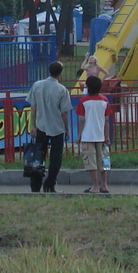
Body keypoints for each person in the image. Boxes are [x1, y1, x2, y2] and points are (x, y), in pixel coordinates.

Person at [26, 60, 73, 193]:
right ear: (60, 73)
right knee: (55, 158)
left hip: (41, 126)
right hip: (57, 128)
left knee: (38, 157)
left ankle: (35, 185)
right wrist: (67, 129)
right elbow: (63, 113)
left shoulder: (37, 85)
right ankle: (49, 184)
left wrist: (33, 126)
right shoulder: (62, 90)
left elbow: (33, 108)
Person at [76, 75, 113, 194]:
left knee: (91, 162)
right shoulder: (104, 100)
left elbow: (82, 119)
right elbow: (107, 119)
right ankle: (105, 185)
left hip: (87, 136)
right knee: (102, 161)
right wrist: (107, 136)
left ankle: (95, 186)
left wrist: (79, 135)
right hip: (100, 135)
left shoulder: (84, 101)